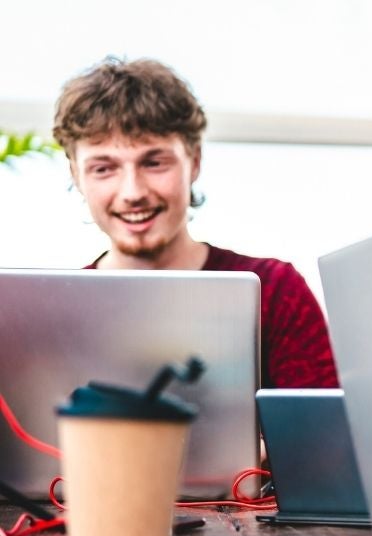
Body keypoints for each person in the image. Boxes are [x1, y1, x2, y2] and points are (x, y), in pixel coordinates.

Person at [53, 57, 339, 389]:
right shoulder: (57, 313)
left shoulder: (273, 292)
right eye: (104, 168)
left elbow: (324, 438)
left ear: (195, 161)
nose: (132, 192)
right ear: (76, 175)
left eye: (154, 163)